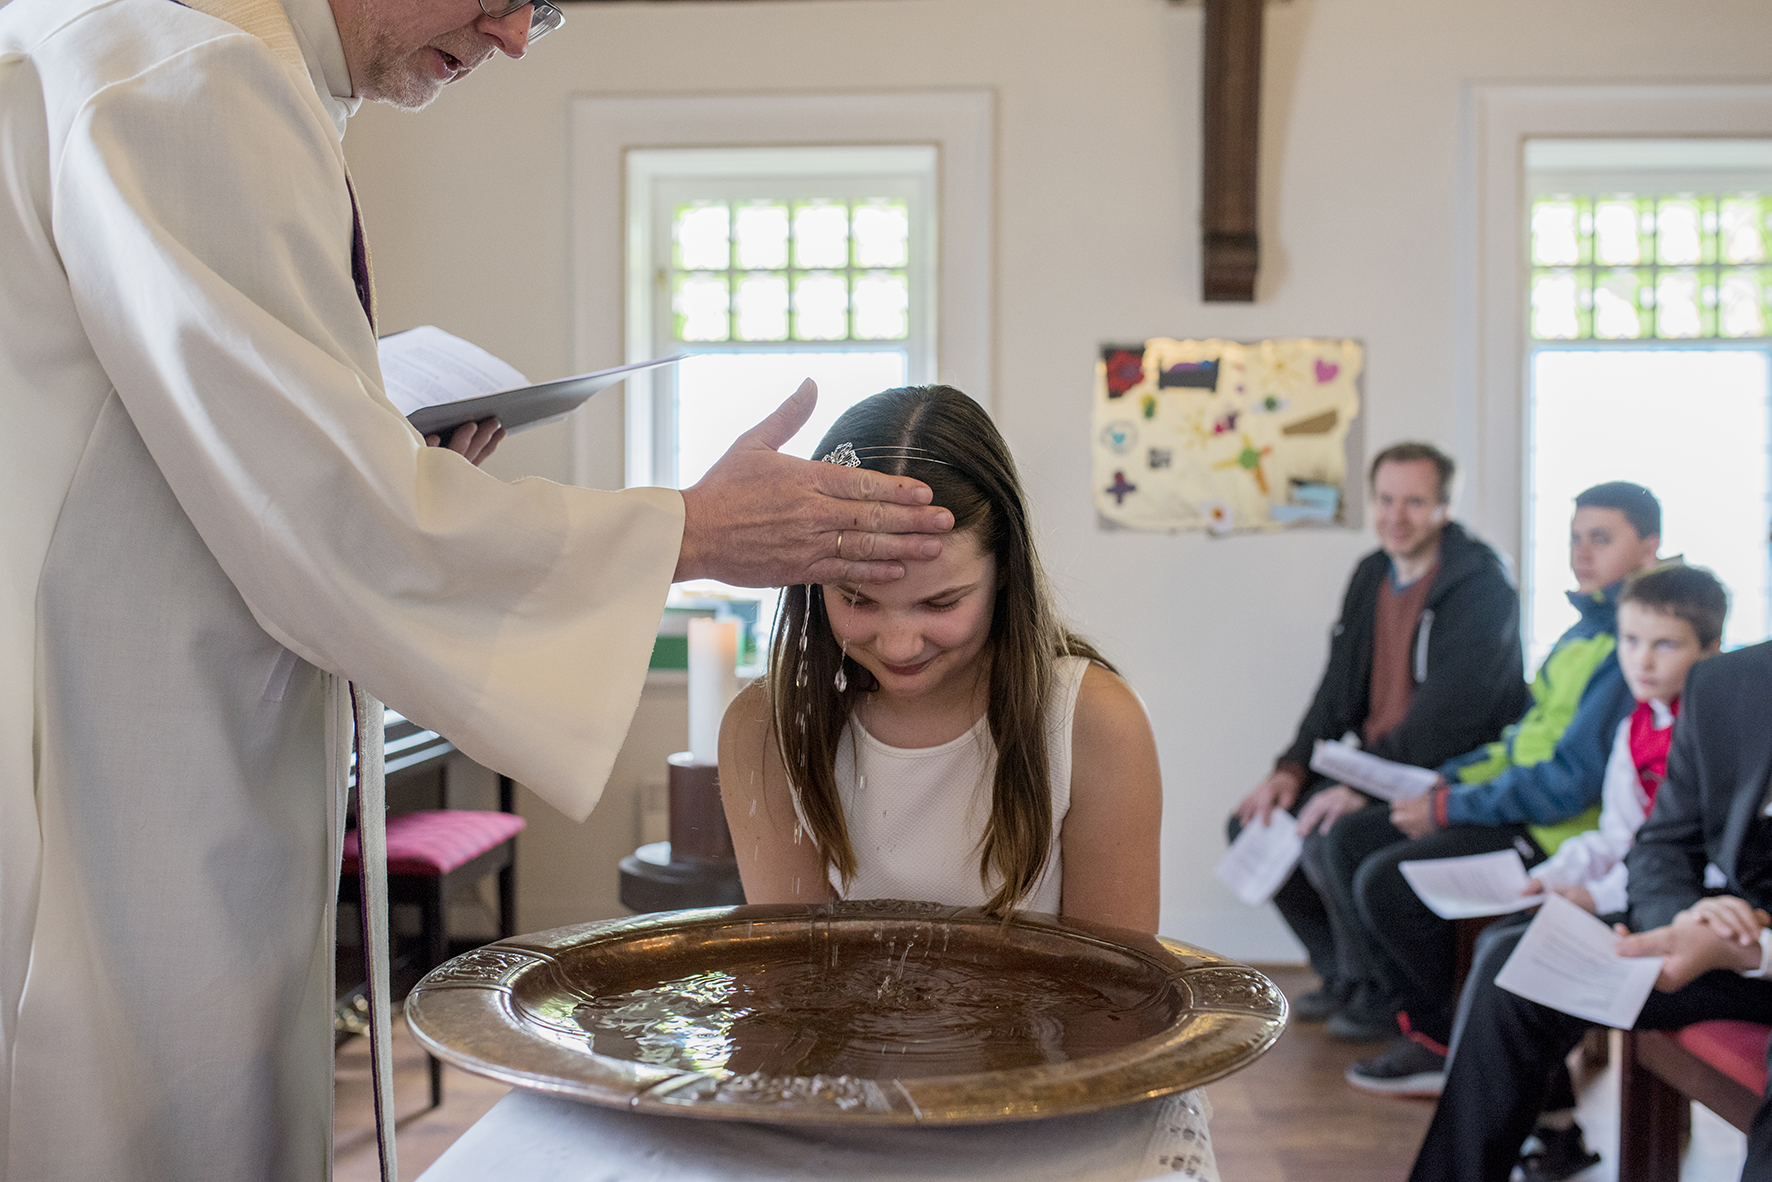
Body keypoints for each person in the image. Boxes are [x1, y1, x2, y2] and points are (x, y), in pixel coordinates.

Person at [0, 2, 952, 1179]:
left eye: (541, 13)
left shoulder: (175, 54)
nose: (509, 36)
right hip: (112, 768)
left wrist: (390, 457)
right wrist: (692, 529)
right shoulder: (191, 75)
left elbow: (230, 460)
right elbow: (342, 522)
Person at [720, 385, 1161, 931]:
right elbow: (795, 967)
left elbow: (1116, 977)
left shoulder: (1093, 724)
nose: (899, 644)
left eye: (941, 603)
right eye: (857, 600)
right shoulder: (765, 730)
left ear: (1005, 572)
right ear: (812, 581)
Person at [1409, 637, 1772, 1182]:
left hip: (1754, 949)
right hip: (1718, 932)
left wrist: (1754, 949)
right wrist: (1682, 920)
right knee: (1516, 960)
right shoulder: (1725, 682)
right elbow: (1664, 843)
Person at [1322, 481, 1661, 1063]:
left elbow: (1569, 782)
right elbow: (1520, 742)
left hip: (1553, 835)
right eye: (1575, 538)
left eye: (1601, 539)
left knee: (1387, 881)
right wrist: (1447, 781)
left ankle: (1444, 1041)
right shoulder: (1579, 633)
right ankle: (1407, 1015)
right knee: (1352, 837)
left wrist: (1448, 807)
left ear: (1649, 548)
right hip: (1516, 810)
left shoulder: (1631, 648)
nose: (1582, 554)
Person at [1228, 443, 1529, 1022]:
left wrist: (1367, 787)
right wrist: (1290, 768)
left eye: (1414, 502)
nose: (1396, 517)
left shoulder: (1481, 585)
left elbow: (1452, 716)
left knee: (1333, 835)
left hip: (1445, 773)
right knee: (1256, 821)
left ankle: (1385, 998)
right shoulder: (1372, 574)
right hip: (1378, 762)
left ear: (1444, 507)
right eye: (1386, 500)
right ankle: (1343, 975)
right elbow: (1337, 687)